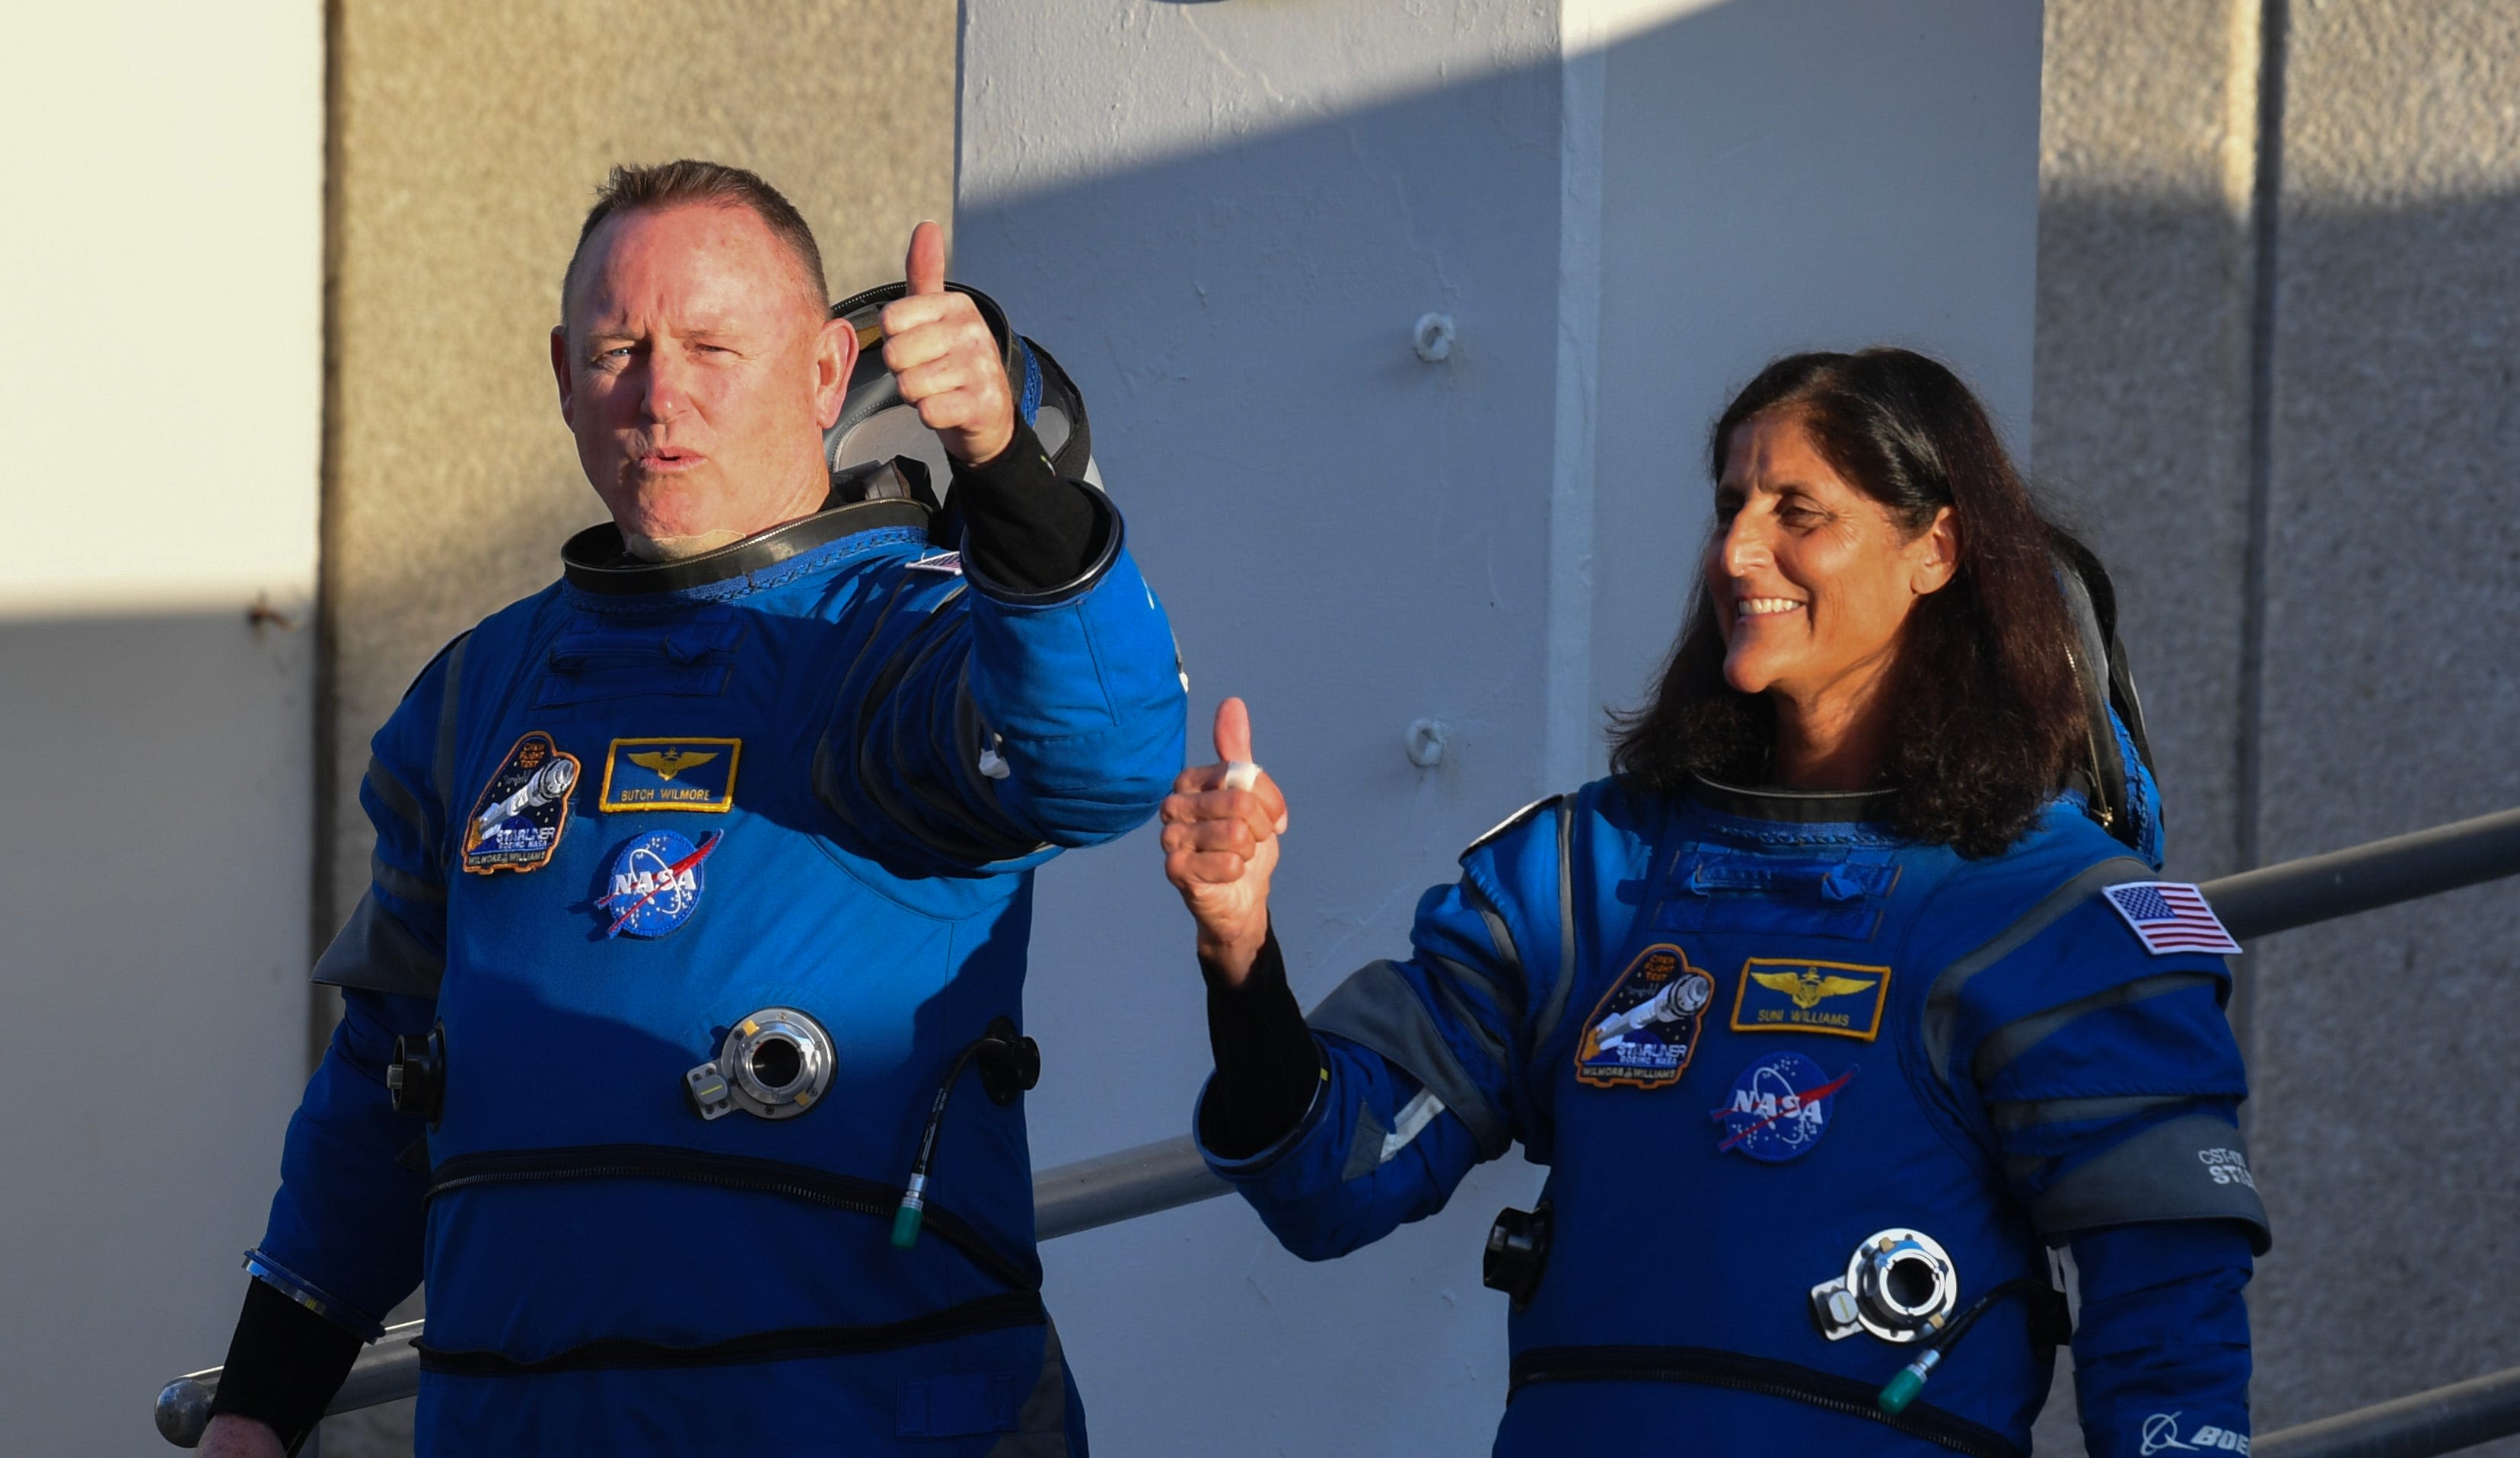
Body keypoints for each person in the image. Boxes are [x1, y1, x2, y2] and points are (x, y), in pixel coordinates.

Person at [201, 161, 1187, 1456]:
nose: (662, 397)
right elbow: (386, 1081)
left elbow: (1102, 758)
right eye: (621, 349)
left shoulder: (907, 635)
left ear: (830, 375)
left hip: (856, 1418)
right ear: (563, 373)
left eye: (715, 347)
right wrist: (260, 1405)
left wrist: (1003, 467)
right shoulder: (480, 693)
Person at [1161, 349, 2263, 1458]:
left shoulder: (2051, 908)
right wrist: (1241, 952)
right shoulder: (1592, 877)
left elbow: (2170, 1335)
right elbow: (1329, 1179)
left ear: (1934, 549)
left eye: (1799, 511)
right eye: (1732, 505)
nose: (1739, 552)